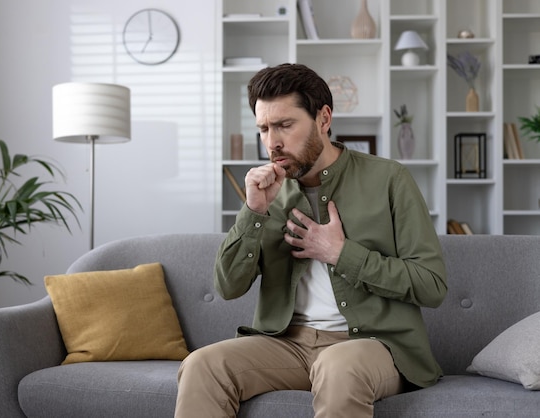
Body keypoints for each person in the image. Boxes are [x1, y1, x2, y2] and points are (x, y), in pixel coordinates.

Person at [174, 63, 447, 418]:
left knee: (339, 367)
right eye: (263, 129)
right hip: (287, 344)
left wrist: (341, 253)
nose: (272, 142)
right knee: (203, 365)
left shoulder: (390, 179)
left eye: (285, 125)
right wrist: (253, 211)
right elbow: (227, 286)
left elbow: (432, 285)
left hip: (373, 345)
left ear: (323, 118)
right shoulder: (268, 191)